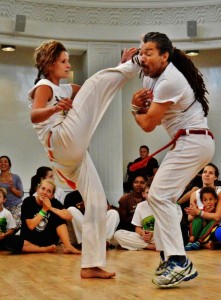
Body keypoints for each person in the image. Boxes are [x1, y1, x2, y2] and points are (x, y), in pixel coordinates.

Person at [28, 40, 140, 278]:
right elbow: (34, 115)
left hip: (72, 157)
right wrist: (55, 109)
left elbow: (97, 97)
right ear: (49, 64)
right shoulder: (44, 86)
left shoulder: (67, 89)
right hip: (59, 142)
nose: (68, 65)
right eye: (63, 61)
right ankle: (130, 67)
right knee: (93, 84)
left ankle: (90, 265)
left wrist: (117, 70)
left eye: (68, 60)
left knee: (98, 202)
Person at [130, 32, 215, 288]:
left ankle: (179, 259)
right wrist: (130, 58)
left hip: (194, 141)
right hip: (188, 142)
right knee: (161, 197)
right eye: (142, 51)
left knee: (157, 196)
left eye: (149, 53)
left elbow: (147, 124)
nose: (143, 57)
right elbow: (134, 60)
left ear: (165, 56)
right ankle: (170, 256)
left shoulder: (169, 80)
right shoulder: (147, 70)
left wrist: (134, 108)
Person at [4, 179, 80, 254]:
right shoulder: (28, 201)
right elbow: (31, 225)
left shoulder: (54, 202)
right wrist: (44, 209)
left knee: (59, 216)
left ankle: (67, 246)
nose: (45, 192)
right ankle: (43, 249)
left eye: (49, 191)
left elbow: (68, 216)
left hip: (48, 240)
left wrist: (51, 208)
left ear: (52, 195)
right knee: (8, 240)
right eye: (43, 189)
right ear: (37, 189)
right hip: (29, 240)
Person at [114, 179, 156, 250]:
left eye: (153, 192)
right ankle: (149, 246)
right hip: (145, 238)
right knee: (118, 234)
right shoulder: (140, 206)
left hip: (158, 237)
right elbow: (137, 228)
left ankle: (141, 245)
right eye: (148, 192)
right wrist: (143, 233)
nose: (150, 195)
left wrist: (152, 234)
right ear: (143, 194)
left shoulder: (163, 206)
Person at [0, 155, 24, 228]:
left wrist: (12, 188)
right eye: (0, 162)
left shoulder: (16, 177)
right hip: (2, 209)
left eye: (5, 162)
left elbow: (21, 194)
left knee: (15, 227)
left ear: (10, 165)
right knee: (3, 228)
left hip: (17, 207)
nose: (3, 163)